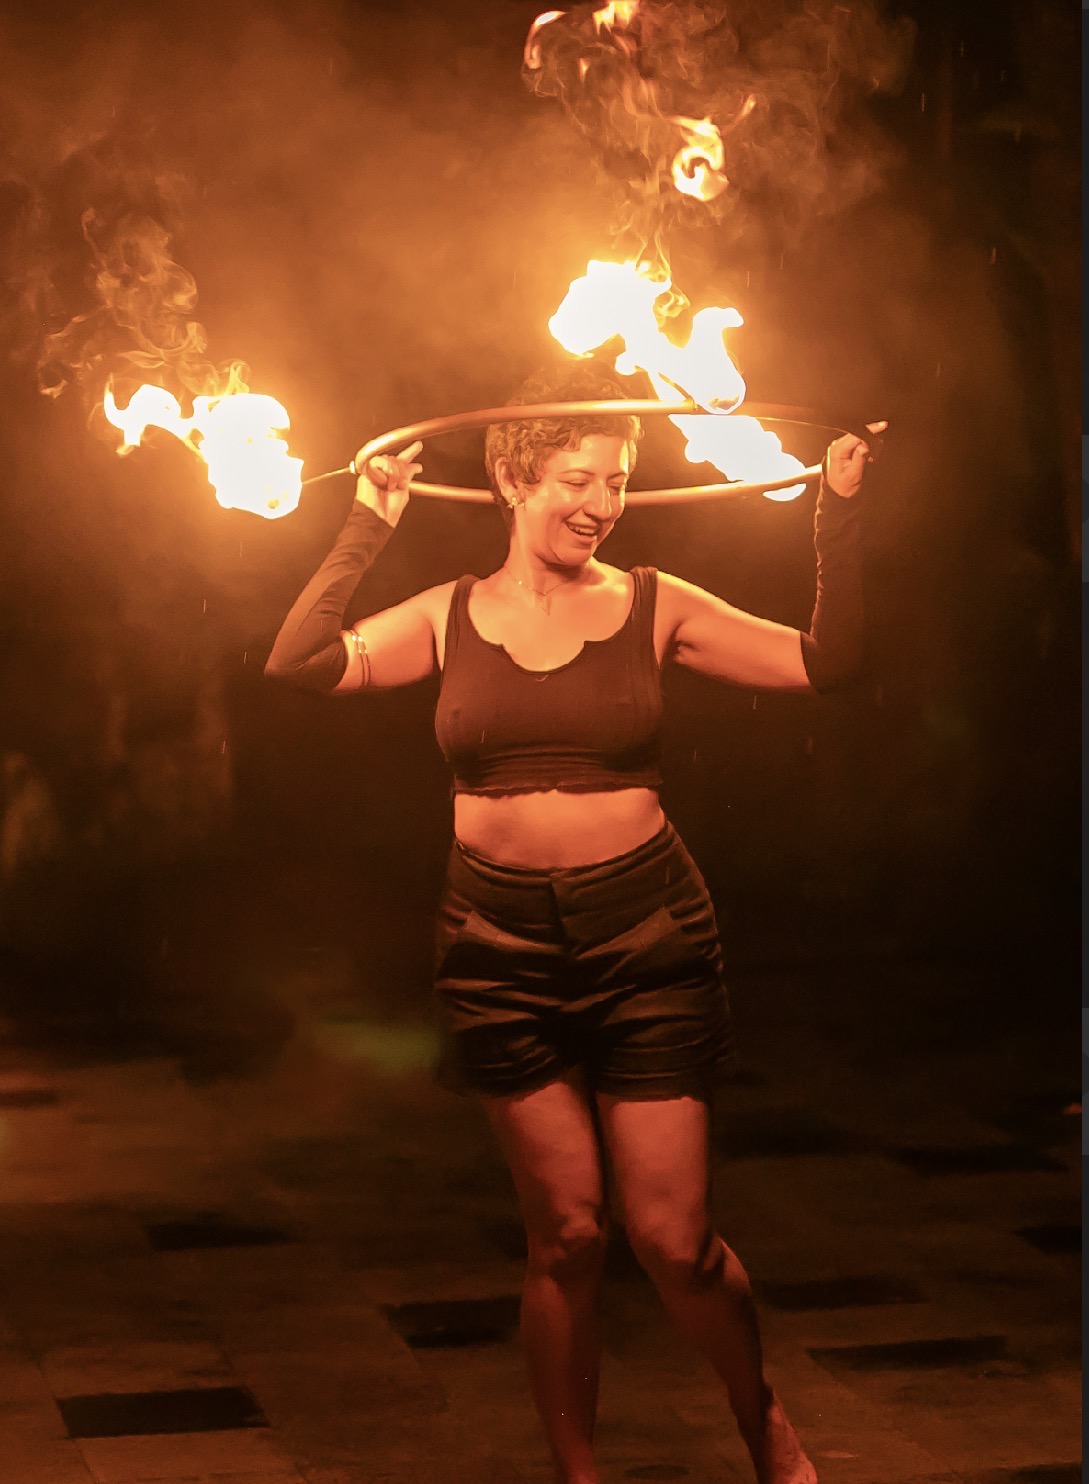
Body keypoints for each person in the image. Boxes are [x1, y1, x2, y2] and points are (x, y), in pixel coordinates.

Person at [265, 362, 885, 1484]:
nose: (601, 503)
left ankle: (764, 1425)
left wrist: (836, 508)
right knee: (567, 1237)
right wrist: (369, 523)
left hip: (648, 939)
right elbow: (299, 662)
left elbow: (825, 663)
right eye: (576, 479)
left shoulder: (655, 603)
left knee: (673, 1243)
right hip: (496, 949)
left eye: (617, 481)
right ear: (511, 478)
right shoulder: (447, 614)